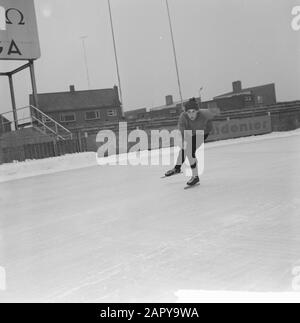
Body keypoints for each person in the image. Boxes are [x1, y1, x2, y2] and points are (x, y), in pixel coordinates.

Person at [165, 97, 219, 186]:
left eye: (193, 111)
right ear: (186, 112)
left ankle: (195, 176)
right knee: (184, 149)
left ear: (197, 111)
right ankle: (177, 168)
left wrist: (209, 123)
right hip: (189, 132)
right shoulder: (183, 117)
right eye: (189, 112)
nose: (191, 114)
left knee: (190, 152)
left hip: (202, 132)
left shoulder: (204, 114)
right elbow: (182, 132)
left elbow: (215, 113)